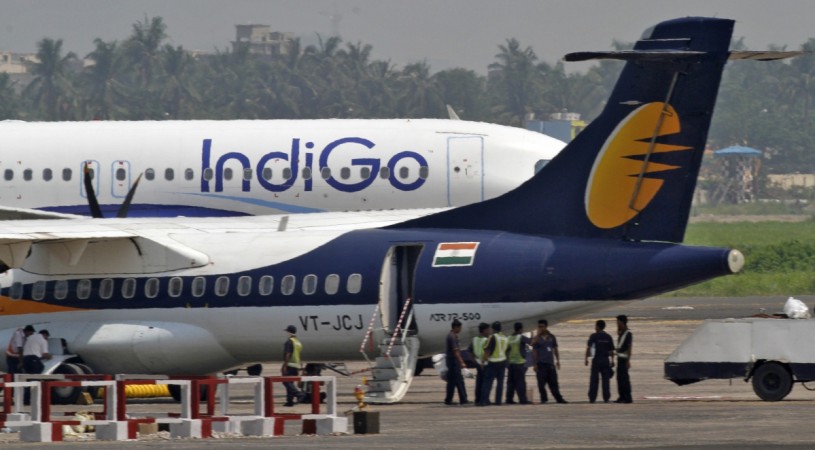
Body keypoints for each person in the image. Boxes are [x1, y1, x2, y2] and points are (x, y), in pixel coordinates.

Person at [532, 319, 567, 404]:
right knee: (541, 384)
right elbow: (534, 351)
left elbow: (555, 349)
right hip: (541, 364)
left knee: (554, 383)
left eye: (542, 327)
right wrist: (534, 364)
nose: (541, 328)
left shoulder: (552, 337)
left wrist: (558, 360)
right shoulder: (537, 338)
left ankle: (558, 398)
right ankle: (544, 398)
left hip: (550, 363)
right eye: (539, 327)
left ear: (546, 327)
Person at [585, 319, 615, 403]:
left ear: (597, 326)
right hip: (605, 360)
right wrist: (612, 361)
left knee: (594, 380)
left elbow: (589, 348)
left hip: (596, 360)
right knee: (606, 381)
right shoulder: (608, 337)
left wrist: (586, 359)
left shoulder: (593, 336)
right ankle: (606, 398)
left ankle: (592, 398)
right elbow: (611, 350)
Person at [480, 321, 508, 406]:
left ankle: (484, 401)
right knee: (500, 383)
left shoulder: (492, 337)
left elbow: (487, 350)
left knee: (488, 382)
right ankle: (498, 401)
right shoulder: (505, 338)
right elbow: (507, 350)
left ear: (493, 329)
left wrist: (483, 361)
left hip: (493, 362)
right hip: (502, 362)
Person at [444, 319, 469, 405]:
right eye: (460, 327)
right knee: (459, 380)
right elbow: (456, 351)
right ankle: (463, 399)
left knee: (451, 381)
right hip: (454, 362)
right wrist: (461, 362)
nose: (461, 329)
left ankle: (448, 400)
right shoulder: (452, 336)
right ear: (456, 327)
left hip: (451, 361)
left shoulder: (451, 335)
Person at [506, 322, 531, 404]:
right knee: (520, 382)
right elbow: (531, 342)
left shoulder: (509, 338)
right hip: (519, 363)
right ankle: (523, 399)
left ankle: (509, 399)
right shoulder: (520, 337)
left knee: (511, 383)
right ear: (521, 329)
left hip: (511, 363)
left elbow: (507, 350)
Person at [281, 325, 306, 407]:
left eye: (287, 332)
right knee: (290, 383)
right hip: (296, 366)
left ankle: (299, 394)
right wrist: (301, 366)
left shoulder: (289, 342)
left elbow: (288, 354)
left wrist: (284, 365)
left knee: (286, 382)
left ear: (289, 332)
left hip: (290, 365)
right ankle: (289, 401)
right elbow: (298, 354)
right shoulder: (298, 342)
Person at [468, 322, 490, 405]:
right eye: (488, 329)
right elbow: (486, 352)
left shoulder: (474, 339)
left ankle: (477, 399)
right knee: (485, 383)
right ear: (484, 330)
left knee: (479, 382)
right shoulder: (486, 340)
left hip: (477, 362)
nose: (489, 331)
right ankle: (484, 400)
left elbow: (469, 351)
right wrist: (483, 362)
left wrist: (474, 361)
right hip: (484, 363)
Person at [615, 315, 633, 404]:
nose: (617, 324)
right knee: (619, 379)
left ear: (622, 322)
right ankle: (621, 396)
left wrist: (628, 361)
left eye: (618, 322)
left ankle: (627, 397)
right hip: (619, 358)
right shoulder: (621, 332)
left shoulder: (628, 333)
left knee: (625, 379)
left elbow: (629, 348)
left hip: (624, 359)